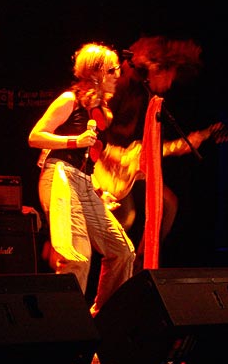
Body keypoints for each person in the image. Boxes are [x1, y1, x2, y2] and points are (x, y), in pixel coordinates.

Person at [28, 42, 135, 317]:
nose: (117, 75)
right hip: (60, 176)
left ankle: (103, 318)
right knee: (78, 254)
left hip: (85, 182)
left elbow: (89, 161)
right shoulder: (69, 100)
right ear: (96, 73)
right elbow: (35, 136)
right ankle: (64, 324)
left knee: (123, 251)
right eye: (112, 70)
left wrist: (99, 190)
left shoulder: (101, 113)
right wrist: (74, 141)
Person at [95, 35, 205, 274]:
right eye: (169, 77)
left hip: (126, 165)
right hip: (102, 165)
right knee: (126, 220)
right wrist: (109, 155)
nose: (169, 85)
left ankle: (141, 264)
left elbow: (139, 144)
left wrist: (186, 143)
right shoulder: (122, 84)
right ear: (156, 67)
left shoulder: (144, 93)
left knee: (165, 204)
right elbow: (95, 124)